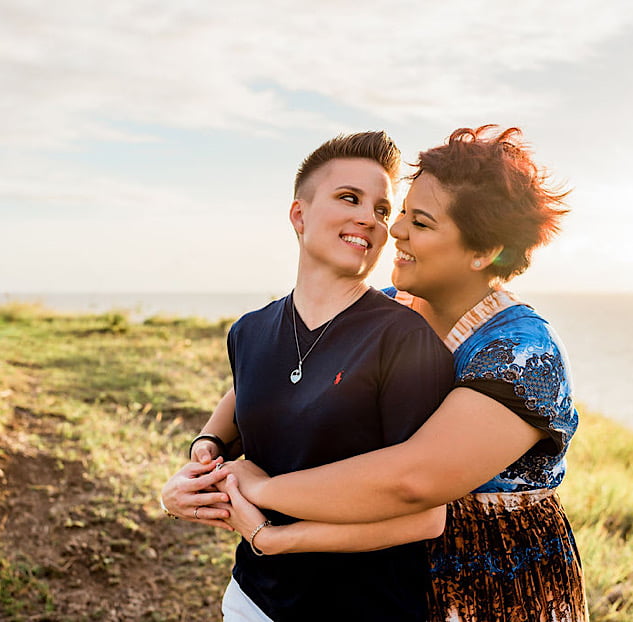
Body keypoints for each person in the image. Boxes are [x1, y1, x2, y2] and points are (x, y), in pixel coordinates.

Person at [216, 125, 589, 622]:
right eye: (403, 214)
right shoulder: (389, 310)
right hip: (376, 573)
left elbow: (414, 479)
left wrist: (259, 490)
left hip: (493, 583)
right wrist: (209, 447)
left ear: (483, 253)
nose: (394, 231)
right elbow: (273, 375)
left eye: (422, 223)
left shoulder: (522, 353)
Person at [160, 131, 456, 621]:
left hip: (362, 608)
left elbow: (426, 517)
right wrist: (186, 482)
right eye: (349, 197)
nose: (369, 217)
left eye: (382, 210)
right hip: (252, 599)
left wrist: (273, 538)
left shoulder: (405, 339)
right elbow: (242, 446)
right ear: (299, 214)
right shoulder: (249, 332)